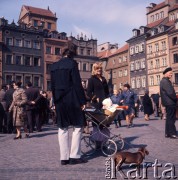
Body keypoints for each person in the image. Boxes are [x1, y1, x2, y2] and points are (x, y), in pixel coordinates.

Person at [50, 43, 87, 165]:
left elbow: (53, 86)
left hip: (59, 100)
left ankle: (64, 158)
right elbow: (77, 84)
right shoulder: (72, 64)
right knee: (78, 126)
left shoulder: (54, 66)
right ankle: (75, 156)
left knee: (62, 128)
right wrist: (83, 101)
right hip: (72, 99)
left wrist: (55, 101)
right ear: (73, 52)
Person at [160, 67, 177, 139]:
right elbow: (170, 92)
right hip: (170, 102)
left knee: (169, 118)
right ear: (166, 73)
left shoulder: (164, 81)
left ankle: (167, 133)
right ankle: (172, 133)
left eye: (172, 73)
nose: (171, 75)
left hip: (168, 102)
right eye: (170, 73)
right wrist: (175, 98)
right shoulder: (165, 81)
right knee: (171, 118)